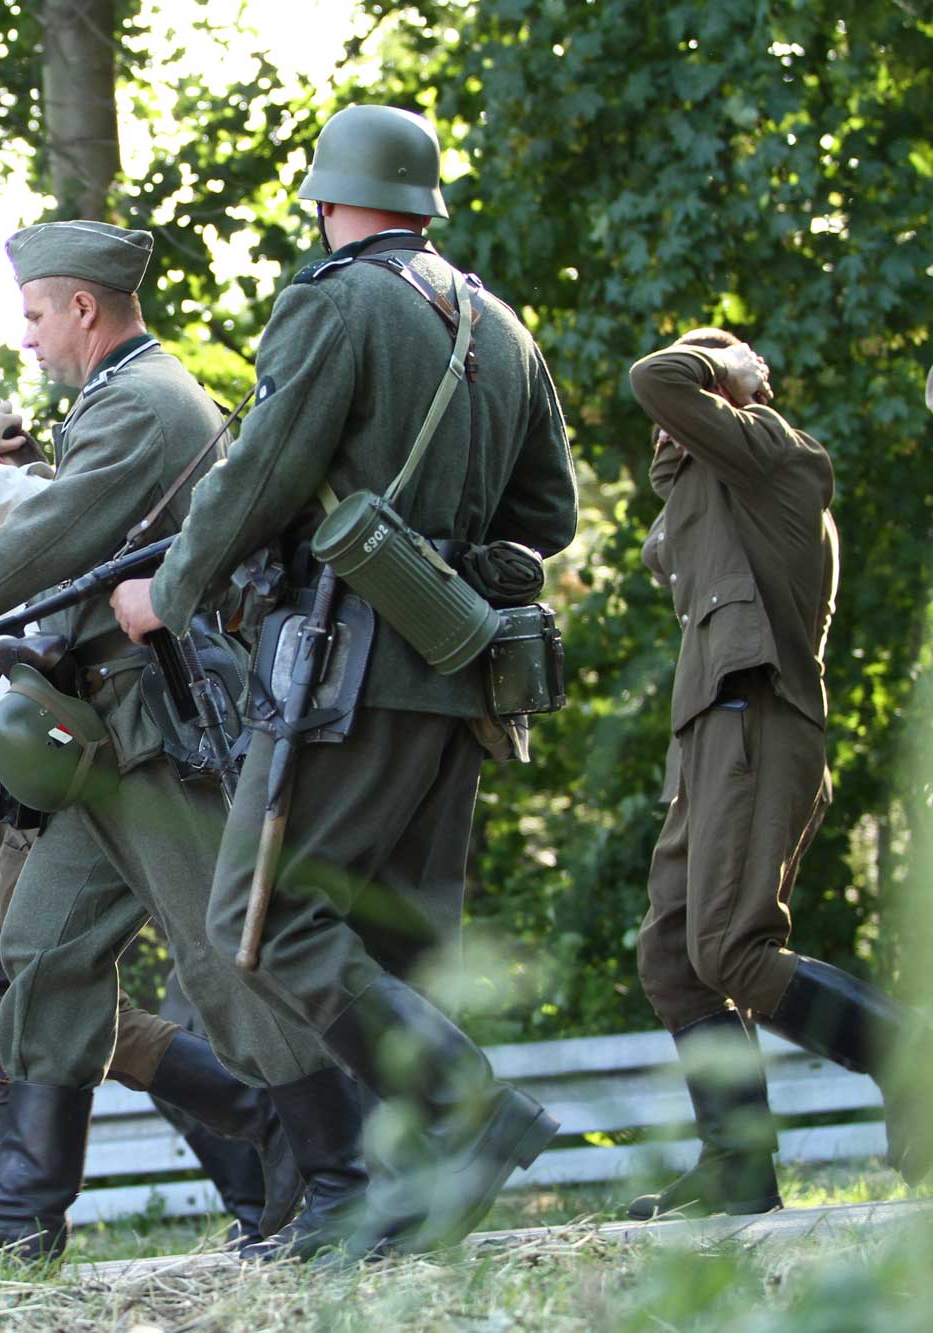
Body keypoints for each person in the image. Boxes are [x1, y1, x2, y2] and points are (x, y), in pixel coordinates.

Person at [0, 221, 364, 1271]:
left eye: (34, 315)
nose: (25, 340)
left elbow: (53, 530)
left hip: (155, 729)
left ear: (81, 308)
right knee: (41, 950)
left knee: (222, 960)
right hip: (100, 740)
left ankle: (345, 1184)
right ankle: (23, 1209)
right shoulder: (122, 398)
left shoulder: (142, 401)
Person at [110, 103, 580, 1255]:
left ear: (325, 198)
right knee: (398, 940)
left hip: (341, 666)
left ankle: (470, 1112)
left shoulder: (333, 302)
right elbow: (547, 518)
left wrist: (169, 589)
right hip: (459, 675)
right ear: (421, 201)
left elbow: (259, 471)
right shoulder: (498, 324)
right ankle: (410, 1190)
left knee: (258, 921)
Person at [0, 408, 298, 1246]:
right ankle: (25, 1215)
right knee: (6, 990)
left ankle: (28, 1218)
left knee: (12, 990)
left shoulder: (50, 503)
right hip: (29, 799)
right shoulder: (14, 528)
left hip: (77, 787)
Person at [621, 329, 926, 1218]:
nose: (669, 429)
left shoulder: (777, 458)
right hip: (714, 735)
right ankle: (736, 1167)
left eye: (690, 415)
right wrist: (679, 452)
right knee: (673, 957)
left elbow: (656, 377)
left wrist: (726, 369)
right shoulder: (721, 489)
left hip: (758, 723)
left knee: (729, 947)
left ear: (733, 395)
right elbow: (661, 546)